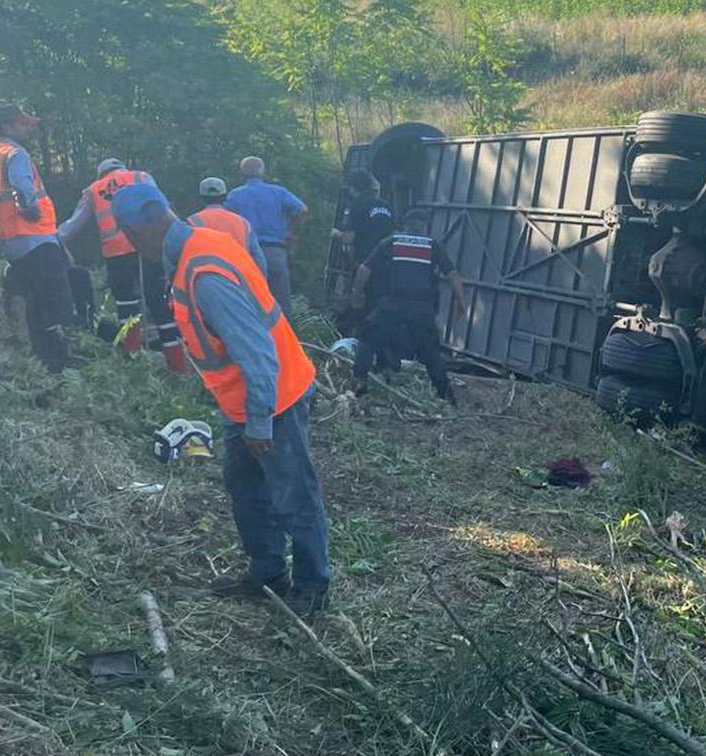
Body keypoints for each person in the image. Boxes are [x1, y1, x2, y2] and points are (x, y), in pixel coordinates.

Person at [111, 182, 330, 617]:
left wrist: (260, 421)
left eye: (131, 236)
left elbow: (257, 353)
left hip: (272, 398)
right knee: (245, 487)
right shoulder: (197, 244)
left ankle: (312, 588)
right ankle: (267, 573)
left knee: (292, 494)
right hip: (245, 400)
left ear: (146, 228)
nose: (133, 246)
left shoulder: (205, 273)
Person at [0, 104, 75, 372]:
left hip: (13, 245)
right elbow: (23, 187)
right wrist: (29, 208)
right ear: (7, 127)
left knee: (35, 306)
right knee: (57, 305)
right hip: (38, 238)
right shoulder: (16, 153)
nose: (27, 129)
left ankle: (43, 367)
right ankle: (64, 367)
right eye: (22, 124)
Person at [57, 158, 185, 371]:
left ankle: (133, 358)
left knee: (127, 307)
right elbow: (160, 207)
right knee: (159, 301)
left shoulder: (93, 189)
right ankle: (177, 360)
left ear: (101, 174)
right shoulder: (141, 177)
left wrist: (52, 240)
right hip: (148, 245)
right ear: (122, 168)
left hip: (116, 254)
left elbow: (74, 224)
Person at [349, 209, 466, 406]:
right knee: (430, 352)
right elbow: (453, 275)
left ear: (404, 224)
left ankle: (359, 381)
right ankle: (446, 396)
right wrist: (461, 301)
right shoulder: (432, 245)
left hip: (391, 304)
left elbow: (364, 269)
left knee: (367, 338)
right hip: (422, 308)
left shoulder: (391, 242)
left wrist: (357, 294)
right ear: (424, 226)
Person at [225, 156, 307, 314]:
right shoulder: (278, 192)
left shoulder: (234, 196)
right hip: (275, 252)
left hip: (247, 255)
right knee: (281, 305)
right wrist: (291, 234)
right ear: (263, 172)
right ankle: (282, 337)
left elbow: (227, 220)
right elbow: (302, 210)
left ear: (242, 173)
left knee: (251, 304)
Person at [332, 168, 394, 339]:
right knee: (377, 305)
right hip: (387, 265)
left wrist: (335, 233)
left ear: (353, 187)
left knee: (356, 301)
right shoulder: (386, 206)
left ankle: (350, 339)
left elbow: (348, 238)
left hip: (364, 264)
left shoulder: (357, 206)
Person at [188, 176, 266, 269]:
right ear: (225, 197)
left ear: (202, 198)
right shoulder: (242, 222)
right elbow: (257, 257)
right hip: (240, 275)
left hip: (207, 276)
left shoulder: (192, 222)